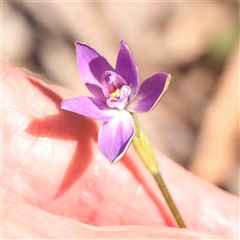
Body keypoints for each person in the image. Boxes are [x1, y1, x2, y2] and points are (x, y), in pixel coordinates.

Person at [2, 62, 238, 239]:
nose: (112, 88)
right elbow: (72, 105)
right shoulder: (102, 111)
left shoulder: (139, 98)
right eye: (108, 87)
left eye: (117, 86)